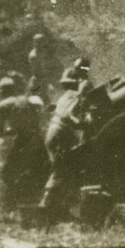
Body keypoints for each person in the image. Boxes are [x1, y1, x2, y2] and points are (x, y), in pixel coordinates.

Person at [38, 67, 93, 222]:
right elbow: (69, 116)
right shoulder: (75, 96)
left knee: (61, 169)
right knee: (60, 170)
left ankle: (57, 210)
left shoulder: (64, 96)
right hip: (61, 134)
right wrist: (83, 123)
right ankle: (46, 206)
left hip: (54, 133)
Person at [0, 77, 48, 217]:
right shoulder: (25, 99)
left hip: (23, 140)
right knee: (40, 171)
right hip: (38, 138)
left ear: (1, 91)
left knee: (7, 173)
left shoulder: (3, 105)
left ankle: (11, 208)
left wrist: (5, 131)